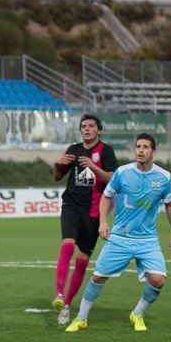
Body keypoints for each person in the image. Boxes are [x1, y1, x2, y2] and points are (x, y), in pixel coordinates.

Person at [65, 133, 171, 333]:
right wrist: (102, 221)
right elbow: (106, 196)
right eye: (138, 146)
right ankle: (81, 318)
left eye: (145, 147)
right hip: (120, 238)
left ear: (153, 151)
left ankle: (137, 313)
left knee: (158, 280)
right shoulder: (122, 173)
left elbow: (170, 204)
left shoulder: (164, 177)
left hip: (147, 239)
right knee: (98, 277)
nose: (140, 150)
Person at [52, 114, 117, 326]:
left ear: (99, 130)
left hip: (93, 213)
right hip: (71, 206)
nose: (86, 129)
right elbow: (57, 176)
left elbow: (111, 178)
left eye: (91, 126)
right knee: (67, 246)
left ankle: (68, 305)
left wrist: (92, 166)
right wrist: (57, 163)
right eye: (83, 126)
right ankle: (59, 295)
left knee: (81, 262)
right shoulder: (73, 149)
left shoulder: (106, 151)